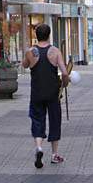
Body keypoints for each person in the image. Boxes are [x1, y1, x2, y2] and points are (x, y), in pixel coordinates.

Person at [22, 24, 69, 168]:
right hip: (53, 92)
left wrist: (28, 58)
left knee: (37, 119)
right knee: (55, 120)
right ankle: (54, 155)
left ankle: (39, 147)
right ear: (49, 35)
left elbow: (24, 66)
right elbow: (65, 72)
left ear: (36, 35)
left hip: (36, 92)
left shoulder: (31, 51)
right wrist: (64, 84)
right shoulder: (55, 51)